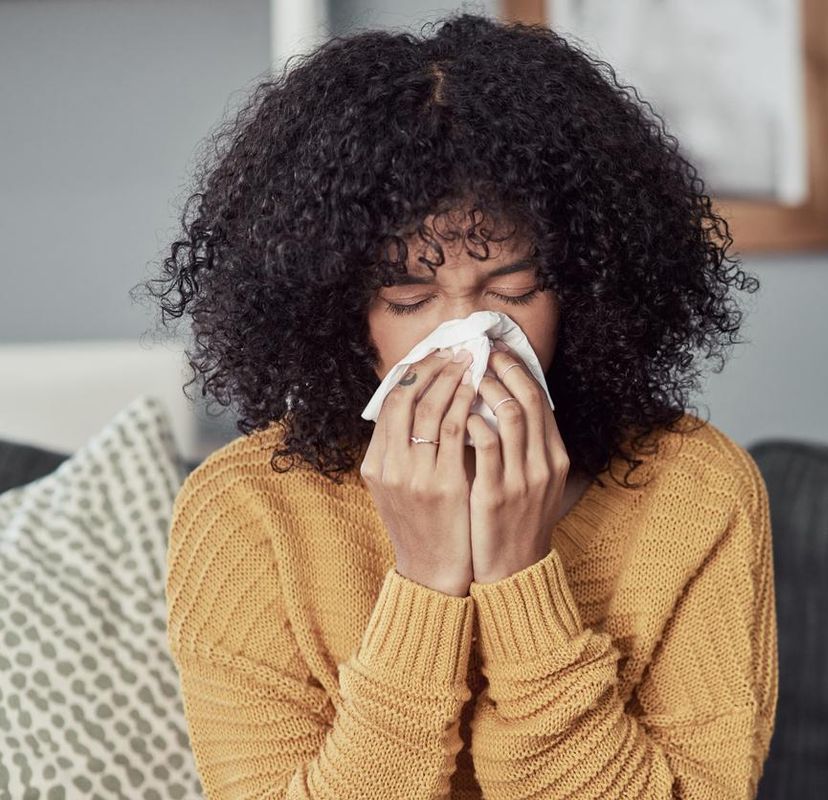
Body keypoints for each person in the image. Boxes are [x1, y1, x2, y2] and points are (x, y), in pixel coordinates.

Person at [138, 11, 776, 799]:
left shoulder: (698, 492)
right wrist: (427, 582)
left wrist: (520, 575)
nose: (465, 336)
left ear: (584, 286)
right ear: (339, 308)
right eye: (409, 294)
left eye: (512, 288)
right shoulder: (247, 513)